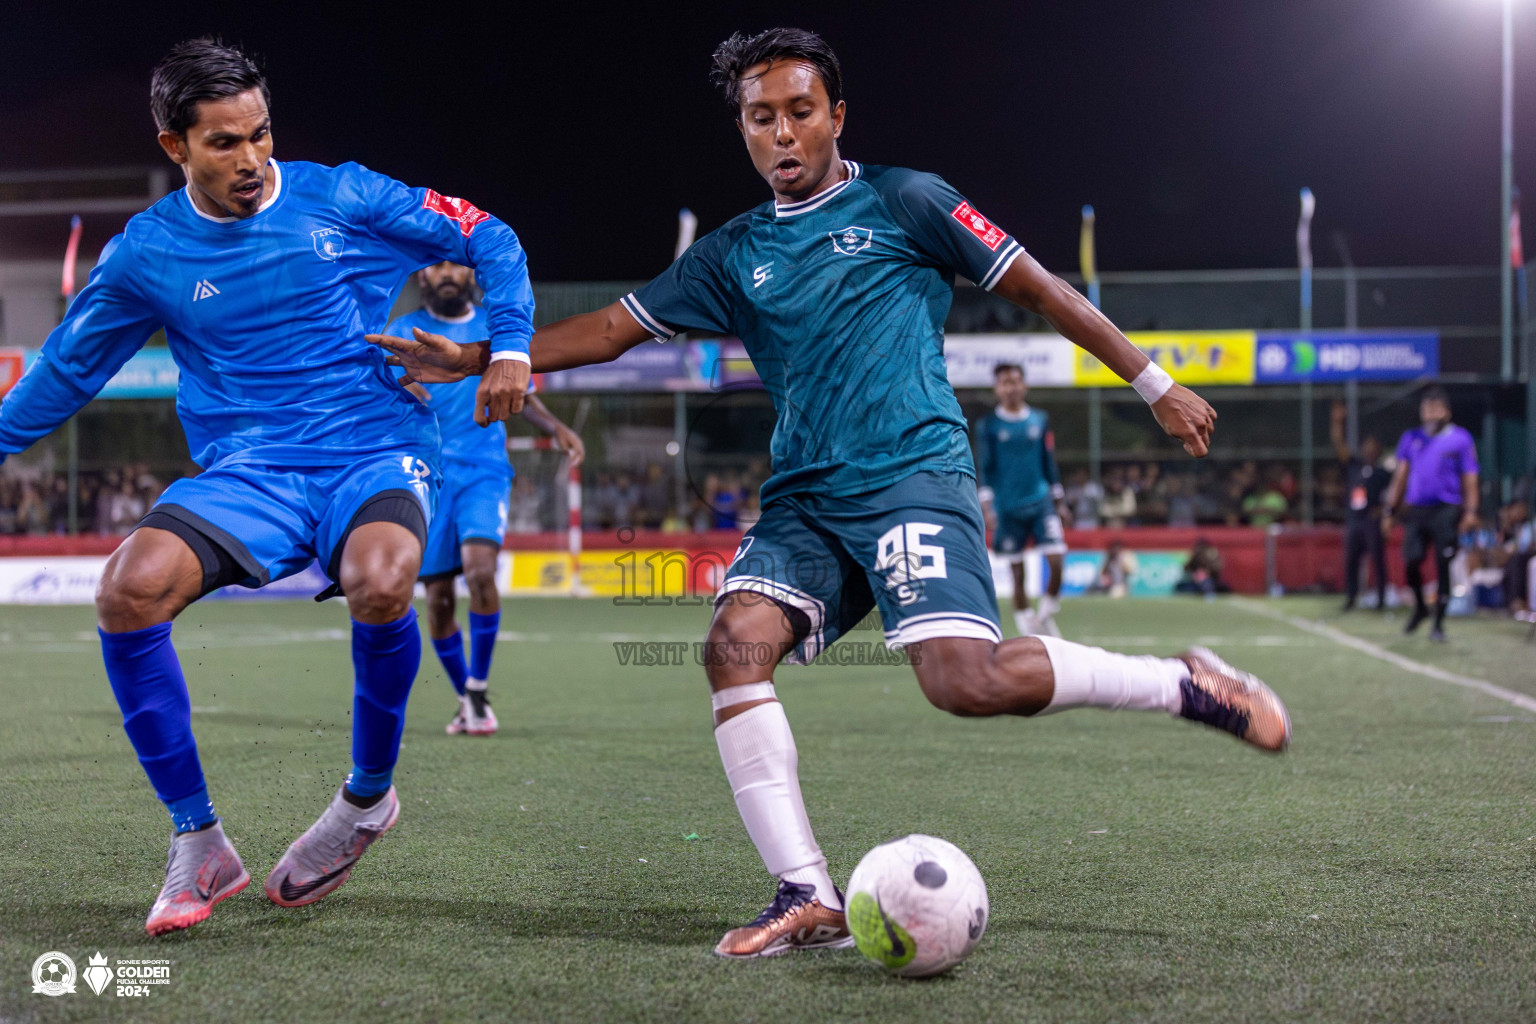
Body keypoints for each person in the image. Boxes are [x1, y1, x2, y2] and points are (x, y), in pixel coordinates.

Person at [375, 26, 1290, 960]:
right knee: (734, 647)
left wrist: (1153, 381)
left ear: (836, 116)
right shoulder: (732, 254)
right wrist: (487, 355)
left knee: (963, 684)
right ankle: (805, 892)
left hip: (912, 476)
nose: (781, 134)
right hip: (807, 498)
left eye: (799, 113)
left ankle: (1186, 688)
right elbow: (614, 328)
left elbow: (1044, 291)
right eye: (759, 118)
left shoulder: (908, 199)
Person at [0, 39, 536, 935]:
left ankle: (365, 801)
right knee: (128, 589)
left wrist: (510, 343)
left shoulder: (345, 194)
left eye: (261, 135)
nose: (251, 161)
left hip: (373, 446)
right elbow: (64, 373)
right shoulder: (147, 254)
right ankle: (198, 842)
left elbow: (488, 233)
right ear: (175, 146)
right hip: (251, 471)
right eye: (223, 143)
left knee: (382, 576)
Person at [387, 261, 582, 737]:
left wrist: (556, 427)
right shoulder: (399, 331)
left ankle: (478, 685)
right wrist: (401, 386)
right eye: (436, 265)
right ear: (421, 277)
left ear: (470, 275)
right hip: (425, 477)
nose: (448, 272)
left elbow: (521, 387)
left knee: (479, 570)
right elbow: (379, 385)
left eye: (456, 263)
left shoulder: (494, 327)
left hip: (483, 470)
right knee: (435, 599)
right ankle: (467, 699)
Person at [974, 363, 1069, 636]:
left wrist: (1058, 499)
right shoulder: (988, 426)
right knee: (1018, 575)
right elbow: (986, 467)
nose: (1011, 387)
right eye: (1005, 382)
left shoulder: (1039, 419)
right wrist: (987, 506)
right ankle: (1029, 629)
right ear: (997, 389)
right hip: (1007, 508)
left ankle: (1046, 613)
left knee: (1056, 561)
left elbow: (1047, 459)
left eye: (1016, 381)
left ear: (1024, 385)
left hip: (1041, 503)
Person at [1383, 385, 1480, 642]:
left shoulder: (1460, 438)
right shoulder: (1411, 438)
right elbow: (1401, 476)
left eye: (1437, 408)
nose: (1431, 413)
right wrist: (1389, 510)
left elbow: (1470, 478)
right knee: (1411, 560)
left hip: (1447, 509)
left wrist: (1470, 511)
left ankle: (1438, 623)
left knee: (1442, 563)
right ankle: (1421, 607)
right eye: (1427, 408)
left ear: (1447, 411)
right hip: (1417, 509)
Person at [1330, 400, 1389, 610]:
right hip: (1354, 520)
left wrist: (1384, 513)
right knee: (1351, 561)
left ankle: (1381, 598)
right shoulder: (1355, 466)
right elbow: (1339, 445)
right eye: (1367, 446)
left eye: (1374, 447)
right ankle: (1351, 597)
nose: (1370, 450)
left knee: (1378, 561)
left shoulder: (1383, 474)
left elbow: (1392, 496)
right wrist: (1337, 422)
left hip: (1371, 522)